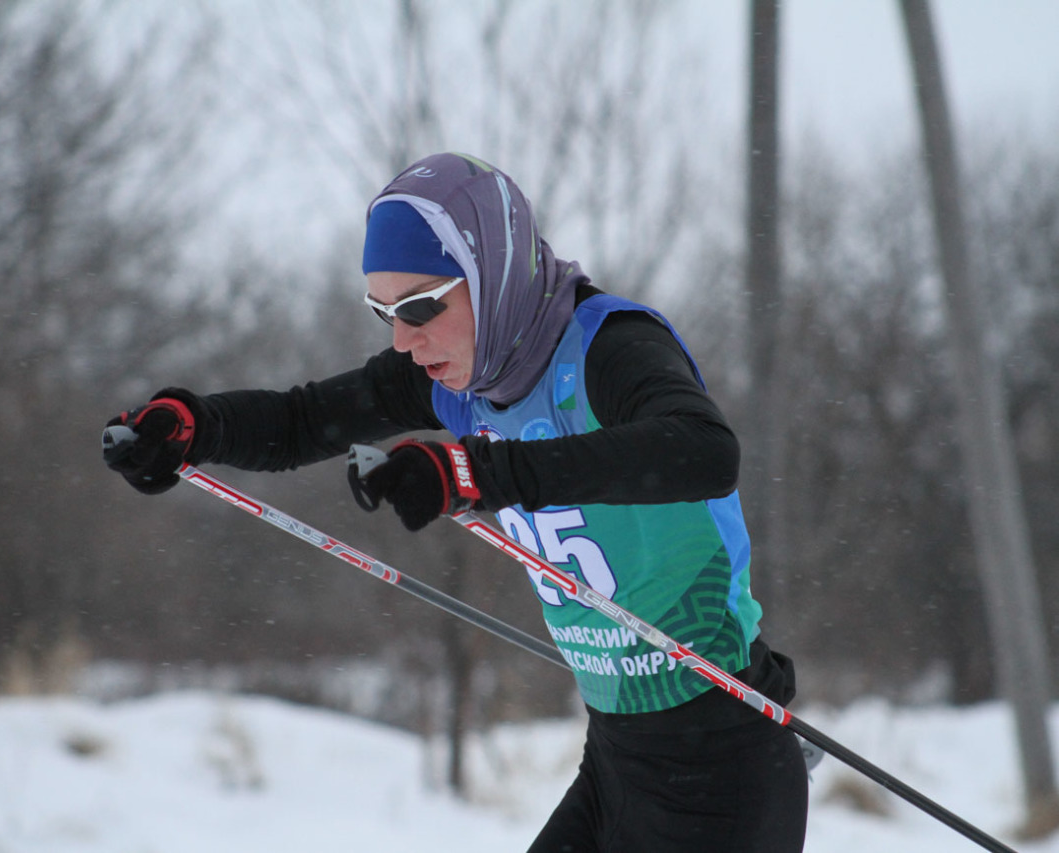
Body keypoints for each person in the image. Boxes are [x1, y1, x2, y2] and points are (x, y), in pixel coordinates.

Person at [104, 152, 808, 852]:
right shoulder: (458, 379)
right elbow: (300, 420)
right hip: (618, 763)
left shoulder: (609, 348)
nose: (403, 340)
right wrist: (195, 427)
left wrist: (477, 470)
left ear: (491, 274)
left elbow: (704, 452)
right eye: (384, 311)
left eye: (420, 307)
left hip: (723, 770)